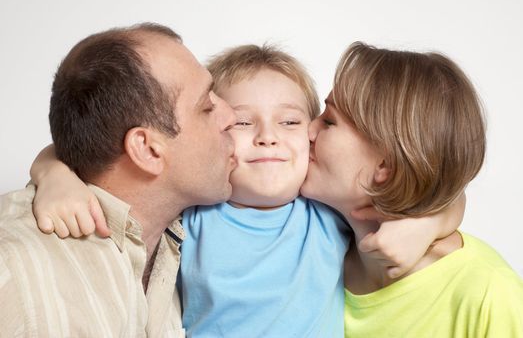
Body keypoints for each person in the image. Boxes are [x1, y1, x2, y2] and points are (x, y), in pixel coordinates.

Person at [29, 44, 464, 337]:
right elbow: (103, 157)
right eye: (241, 121)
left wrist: (426, 224)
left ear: (312, 137)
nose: (267, 137)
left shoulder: (325, 213)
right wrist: (53, 172)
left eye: (290, 121)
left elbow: (437, 187)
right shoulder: (192, 212)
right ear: (215, 131)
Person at [0, 22, 237, 337]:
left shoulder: (188, 242)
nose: (231, 116)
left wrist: (50, 166)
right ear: (148, 150)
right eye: (207, 107)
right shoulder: (14, 272)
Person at [300, 42, 523, 337]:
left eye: (329, 121)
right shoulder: (311, 247)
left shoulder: (488, 295)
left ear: (386, 164)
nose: (307, 131)